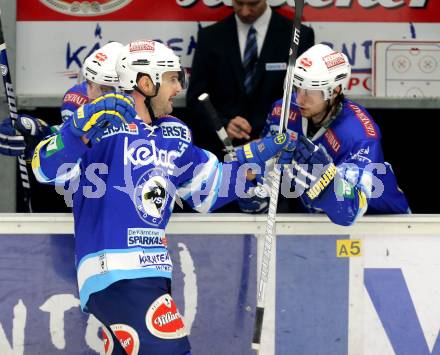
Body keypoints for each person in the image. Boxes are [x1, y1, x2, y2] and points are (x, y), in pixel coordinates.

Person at [31, 40, 295, 354]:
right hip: (117, 272)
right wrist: (77, 129)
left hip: (152, 273)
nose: (179, 87)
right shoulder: (103, 125)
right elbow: (46, 168)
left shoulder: (172, 135)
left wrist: (258, 158)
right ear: (146, 83)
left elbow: (210, 188)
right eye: (171, 78)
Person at [240, 43, 410, 226]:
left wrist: (325, 180)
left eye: (309, 90)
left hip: (382, 228)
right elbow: (266, 181)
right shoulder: (283, 111)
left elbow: (349, 210)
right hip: (315, 224)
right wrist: (251, 178)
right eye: (297, 88)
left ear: (335, 91)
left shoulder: (359, 135)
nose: (299, 98)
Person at [186, 0, 315, 160]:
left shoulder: (299, 37)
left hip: (280, 153)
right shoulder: (210, 37)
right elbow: (195, 98)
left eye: (253, 4)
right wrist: (223, 124)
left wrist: (272, 134)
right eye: (239, 3)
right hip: (223, 154)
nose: (245, 11)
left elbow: (306, 99)